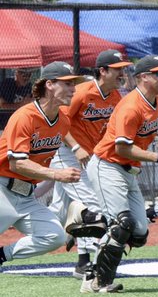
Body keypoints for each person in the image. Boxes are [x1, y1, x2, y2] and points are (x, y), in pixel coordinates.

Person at [83, 56, 158, 293]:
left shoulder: (157, 103)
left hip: (127, 170)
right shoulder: (131, 106)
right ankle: (97, 281)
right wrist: (157, 157)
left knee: (138, 233)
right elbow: (121, 148)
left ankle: (85, 219)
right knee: (121, 224)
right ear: (143, 77)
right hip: (108, 165)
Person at [0, 62, 95, 269]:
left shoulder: (63, 121)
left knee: (54, 236)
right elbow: (17, 164)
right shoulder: (24, 116)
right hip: (2, 189)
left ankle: (2, 256)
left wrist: (76, 147)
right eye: (67, 83)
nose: (73, 89)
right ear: (49, 84)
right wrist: (57, 174)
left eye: (74, 84)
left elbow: (61, 131)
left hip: (26, 196)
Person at [50, 49, 131, 278]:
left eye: (123, 69)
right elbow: (58, 121)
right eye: (117, 69)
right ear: (102, 71)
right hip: (67, 154)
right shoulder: (83, 92)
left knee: (57, 214)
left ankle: (75, 243)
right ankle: (85, 263)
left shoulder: (115, 97)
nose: (122, 73)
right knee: (92, 207)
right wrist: (76, 147)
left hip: (90, 157)